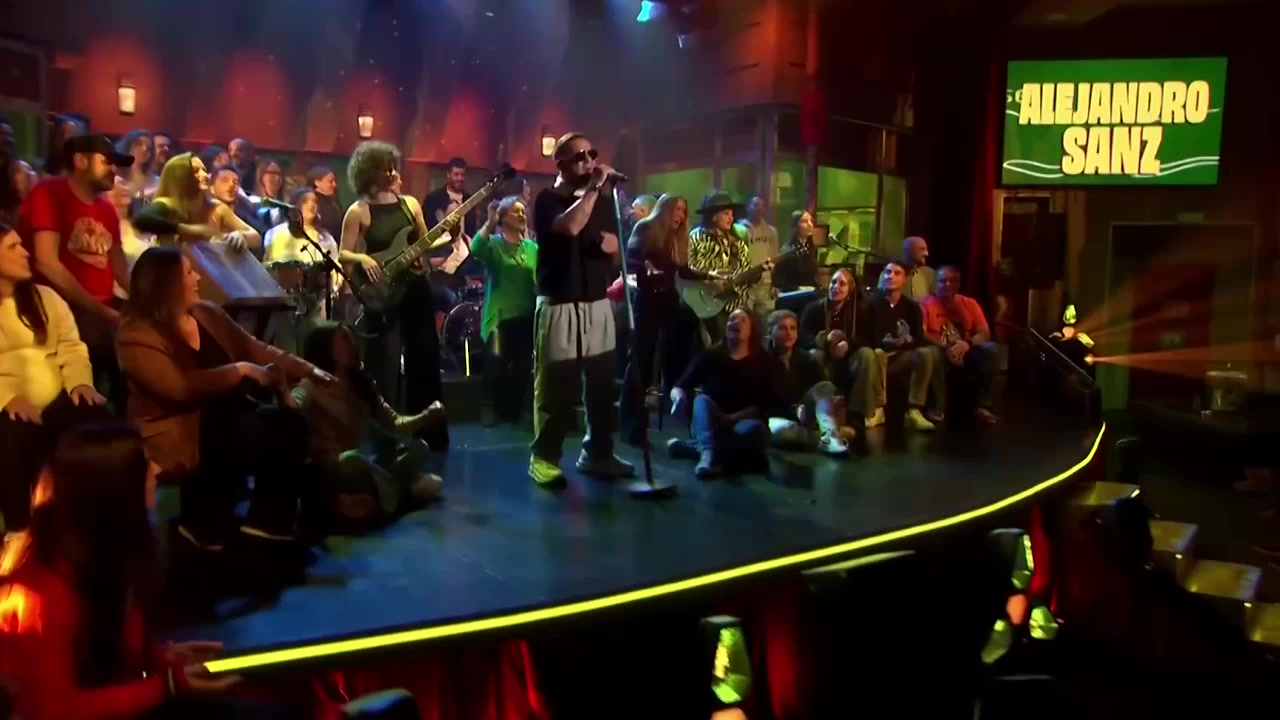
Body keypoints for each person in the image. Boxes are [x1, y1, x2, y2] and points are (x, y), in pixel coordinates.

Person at [0, 423, 294, 720]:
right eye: (144, 464)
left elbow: (105, 659)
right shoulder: (40, 594)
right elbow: (51, 711)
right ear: (113, 486)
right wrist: (167, 685)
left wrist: (160, 658)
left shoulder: (112, 555)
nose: (156, 470)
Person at [116, 247, 332, 552]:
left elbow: (255, 349)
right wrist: (240, 370)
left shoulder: (207, 314)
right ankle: (203, 526)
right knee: (243, 428)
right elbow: (180, 389)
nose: (197, 277)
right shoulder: (136, 335)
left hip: (229, 416)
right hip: (182, 428)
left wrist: (308, 369)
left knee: (290, 424)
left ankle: (267, 526)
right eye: (188, 273)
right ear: (166, 284)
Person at [528, 133, 635, 486]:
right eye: (579, 157)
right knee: (556, 387)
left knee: (602, 385)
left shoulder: (601, 201)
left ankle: (598, 453)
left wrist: (604, 238)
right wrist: (594, 190)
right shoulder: (547, 200)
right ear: (560, 164)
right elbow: (571, 226)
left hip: (597, 301)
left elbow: (613, 246)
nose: (589, 161)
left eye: (592, 154)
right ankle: (544, 457)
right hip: (560, 302)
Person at [339, 141, 451, 453]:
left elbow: (424, 242)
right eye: (384, 168)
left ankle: (430, 432)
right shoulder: (358, 211)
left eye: (393, 166)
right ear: (369, 171)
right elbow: (343, 253)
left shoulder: (410, 204)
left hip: (416, 287)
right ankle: (385, 438)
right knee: (384, 365)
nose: (391, 172)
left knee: (425, 357)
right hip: (382, 293)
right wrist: (363, 259)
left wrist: (449, 234)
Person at [1, 224, 109, 542]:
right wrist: (6, 397)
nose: (25, 253)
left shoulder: (46, 297)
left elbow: (72, 348)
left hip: (57, 396)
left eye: (22, 245)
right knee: (10, 434)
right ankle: (18, 532)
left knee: (98, 419)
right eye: (12, 248)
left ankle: (100, 521)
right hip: (9, 403)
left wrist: (80, 384)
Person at [293, 323, 444, 537]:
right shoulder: (311, 384)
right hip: (330, 472)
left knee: (418, 448)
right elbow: (295, 401)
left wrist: (427, 415)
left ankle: (386, 494)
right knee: (350, 459)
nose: (353, 344)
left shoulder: (362, 385)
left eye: (351, 338)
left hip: (361, 470)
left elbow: (394, 422)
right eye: (344, 339)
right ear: (326, 347)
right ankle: (403, 493)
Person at [18, 135, 131, 410]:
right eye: (106, 162)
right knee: (100, 346)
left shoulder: (106, 209)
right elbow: (47, 263)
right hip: (56, 307)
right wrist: (102, 311)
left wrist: (145, 305)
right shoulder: (48, 193)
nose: (114, 170)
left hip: (101, 307)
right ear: (80, 161)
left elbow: (120, 268)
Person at [618, 193, 703, 446]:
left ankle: (676, 397)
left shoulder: (678, 237)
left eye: (684, 211)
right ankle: (632, 423)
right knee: (641, 361)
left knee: (686, 329)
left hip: (668, 300)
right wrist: (646, 267)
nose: (681, 215)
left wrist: (709, 276)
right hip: (647, 301)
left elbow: (682, 269)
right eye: (677, 209)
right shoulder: (646, 228)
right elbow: (630, 260)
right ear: (665, 210)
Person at [669, 309, 785, 478]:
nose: (735, 322)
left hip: (743, 423)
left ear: (751, 330)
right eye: (731, 319)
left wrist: (732, 418)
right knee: (701, 400)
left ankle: (698, 448)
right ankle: (709, 455)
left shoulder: (764, 361)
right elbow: (680, 386)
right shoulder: (711, 356)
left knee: (758, 433)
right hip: (711, 424)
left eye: (743, 320)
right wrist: (678, 398)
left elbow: (764, 405)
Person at [472, 196, 537, 424]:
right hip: (499, 316)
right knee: (495, 363)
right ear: (503, 217)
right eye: (515, 211)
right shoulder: (494, 244)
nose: (521, 215)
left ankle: (515, 409)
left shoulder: (532, 248)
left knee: (523, 365)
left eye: (523, 211)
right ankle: (488, 406)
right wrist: (489, 223)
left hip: (525, 315)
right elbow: (475, 248)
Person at [856, 262, 935, 431]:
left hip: (900, 356)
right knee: (877, 353)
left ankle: (914, 410)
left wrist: (907, 340)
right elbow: (861, 338)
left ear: (904, 279)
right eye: (887, 272)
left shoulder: (912, 307)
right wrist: (883, 343)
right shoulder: (868, 305)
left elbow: (919, 338)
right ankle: (878, 408)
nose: (890, 276)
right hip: (878, 356)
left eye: (896, 273)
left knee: (925, 353)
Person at [764, 309, 852, 455]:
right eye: (782, 328)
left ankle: (829, 435)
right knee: (780, 433)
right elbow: (762, 402)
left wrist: (832, 400)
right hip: (778, 417)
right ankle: (827, 437)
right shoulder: (762, 359)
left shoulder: (806, 358)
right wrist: (794, 410)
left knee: (825, 386)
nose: (789, 333)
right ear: (770, 332)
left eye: (793, 328)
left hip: (807, 414)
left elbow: (823, 388)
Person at [130, 153, 257, 253]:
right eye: (196, 171)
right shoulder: (168, 205)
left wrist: (241, 235)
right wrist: (192, 230)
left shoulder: (216, 207)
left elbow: (255, 237)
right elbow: (142, 220)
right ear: (181, 176)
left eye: (204, 170)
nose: (204, 175)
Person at [921, 265, 998, 423]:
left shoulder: (969, 303)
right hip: (939, 349)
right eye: (943, 281)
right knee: (932, 354)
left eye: (952, 281)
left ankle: (983, 406)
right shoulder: (924, 304)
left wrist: (967, 344)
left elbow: (984, 332)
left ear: (959, 283)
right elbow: (921, 333)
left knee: (991, 349)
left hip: (966, 349)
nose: (947, 284)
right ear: (936, 283)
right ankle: (937, 407)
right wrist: (947, 348)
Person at [687, 190, 753, 346]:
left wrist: (746, 279)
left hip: (734, 305)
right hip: (705, 305)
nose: (731, 218)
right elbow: (687, 269)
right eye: (726, 214)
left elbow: (746, 268)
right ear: (713, 216)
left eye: (732, 214)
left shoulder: (737, 241)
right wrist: (710, 281)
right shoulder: (695, 238)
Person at [740, 196, 779, 326]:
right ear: (748, 208)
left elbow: (775, 257)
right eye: (755, 205)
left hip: (765, 285)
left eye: (762, 206)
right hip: (745, 286)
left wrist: (775, 282)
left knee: (766, 323)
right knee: (745, 321)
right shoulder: (738, 229)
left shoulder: (771, 232)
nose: (759, 209)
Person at [773, 210, 819, 292]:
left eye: (811, 221)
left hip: (809, 293)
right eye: (804, 221)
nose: (810, 224)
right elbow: (779, 280)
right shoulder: (787, 250)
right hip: (792, 295)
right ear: (795, 226)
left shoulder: (811, 248)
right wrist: (798, 288)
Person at [901, 235, 934, 303]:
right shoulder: (892, 273)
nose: (926, 254)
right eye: (922, 249)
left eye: (926, 249)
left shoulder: (930, 274)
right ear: (909, 251)